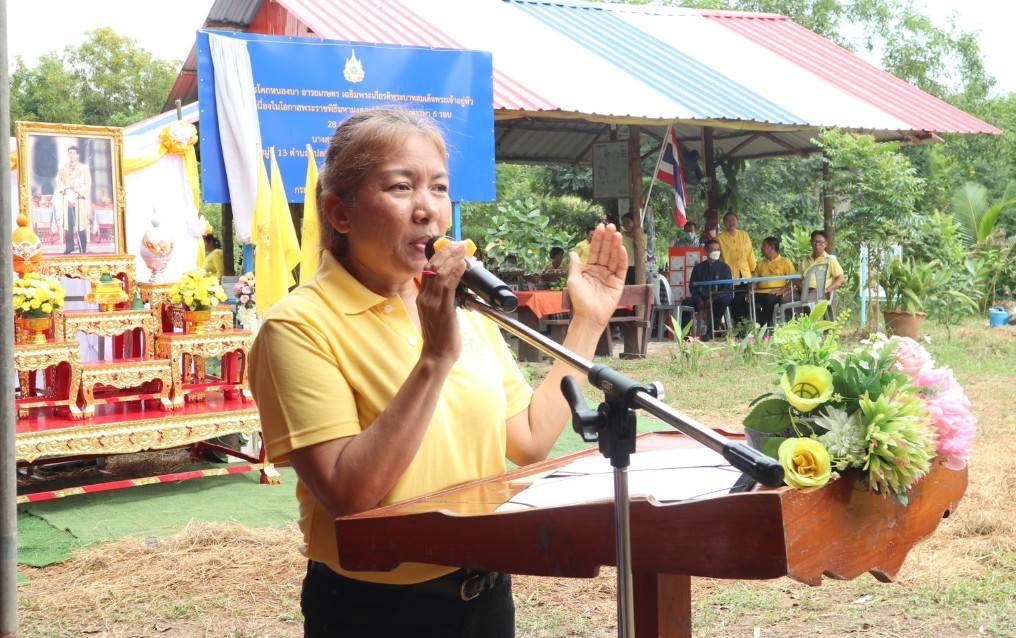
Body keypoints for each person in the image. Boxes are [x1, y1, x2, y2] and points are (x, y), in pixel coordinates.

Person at [248, 108, 627, 638]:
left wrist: (588, 322)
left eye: (439, 187)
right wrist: (433, 360)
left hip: (484, 592)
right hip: (374, 611)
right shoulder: (297, 326)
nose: (427, 209)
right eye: (401, 187)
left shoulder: (463, 308)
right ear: (340, 213)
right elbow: (348, 495)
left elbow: (530, 439)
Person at [681, 239, 733, 340]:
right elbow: (693, 287)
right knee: (686, 303)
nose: (716, 252)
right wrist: (699, 300)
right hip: (702, 298)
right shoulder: (698, 268)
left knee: (723, 301)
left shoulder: (725, 268)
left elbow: (727, 288)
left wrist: (713, 299)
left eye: (718, 249)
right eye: (713, 249)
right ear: (706, 251)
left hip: (718, 298)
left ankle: (711, 333)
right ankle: (685, 335)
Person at [53, 146, 92, 254]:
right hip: (67, 200)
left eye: (74, 153)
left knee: (81, 225)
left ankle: (82, 248)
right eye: (70, 153)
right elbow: (58, 181)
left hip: (79, 200)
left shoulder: (84, 169)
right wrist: (66, 189)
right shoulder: (63, 168)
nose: (72, 155)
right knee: (68, 225)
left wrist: (77, 191)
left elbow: (87, 184)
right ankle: (69, 247)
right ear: (68, 155)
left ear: (78, 155)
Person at [752, 237, 796, 327]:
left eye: (764, 246)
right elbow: (754, 281)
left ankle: (766, 326)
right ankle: (761, 323)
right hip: (760, 292)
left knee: (768, 299)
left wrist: (782, 290)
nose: (762, 248)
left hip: (776, 293)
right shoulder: (760, 263)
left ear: (771, 247)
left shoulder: (785, 261)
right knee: (743, 300)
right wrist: (751, 290)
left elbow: (794, 279)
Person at [799, 230, 845, 299]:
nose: (817, 244)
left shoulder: (830, 260)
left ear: (826, 244)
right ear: (811, 243)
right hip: (803, 291)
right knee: (786, 299)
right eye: (815, 242)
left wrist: (827, 290)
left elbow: (841, 278)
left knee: (809, 299)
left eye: (820, 242)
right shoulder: (805, 260)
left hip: (821, 292)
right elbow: (798, 278)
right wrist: (802, 289)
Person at [716, 211, 756, 279]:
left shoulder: (744, 235)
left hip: (746, 274)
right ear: (724, 223)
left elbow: (750, 254)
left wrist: (754, 271)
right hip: (729, 275)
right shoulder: (719, 238)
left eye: (733, 219)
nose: (731, 222)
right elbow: (716, 258)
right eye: (728, 220)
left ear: (737, 221)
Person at [621, 213, 643, 284]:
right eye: (624, 223)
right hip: (623, 266)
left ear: (634, 222)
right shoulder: (621, 235)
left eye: (628, 222)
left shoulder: (640, 236)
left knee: (635, 285)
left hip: (636, 266)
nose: (626, 225)